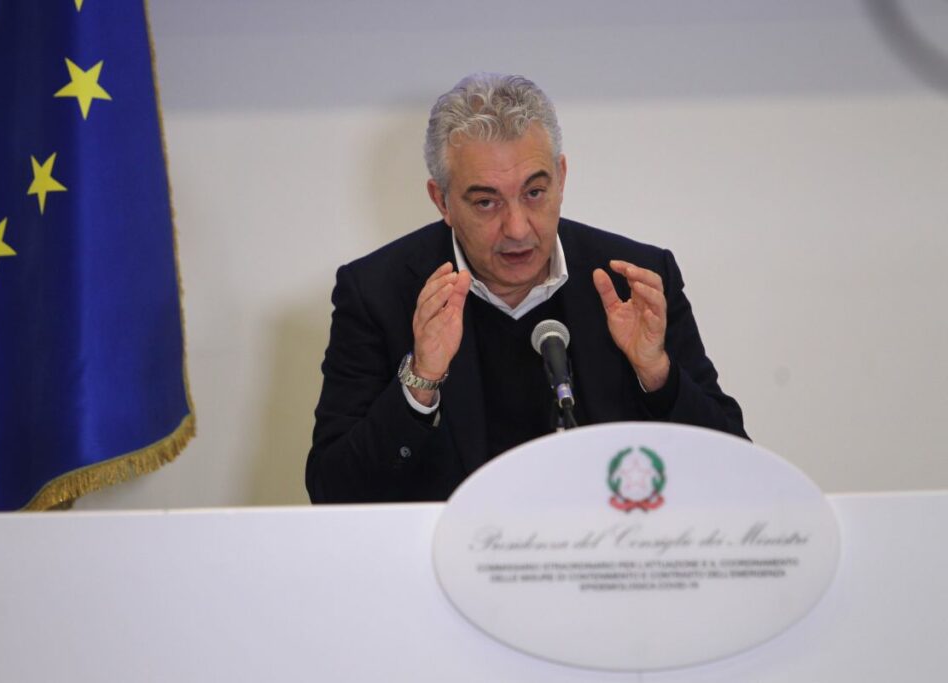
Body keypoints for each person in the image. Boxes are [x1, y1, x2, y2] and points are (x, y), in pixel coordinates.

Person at [306, 73, 746, 503]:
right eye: (486, 202)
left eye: (534, 192)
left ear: (561, 177)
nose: (517, 228)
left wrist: (657, 374)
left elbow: (737, 469)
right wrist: (421, 381)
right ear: (442, 201)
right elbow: (332, 490)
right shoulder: (378, 293)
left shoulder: (631, 280)